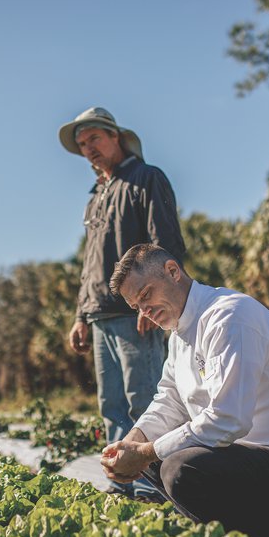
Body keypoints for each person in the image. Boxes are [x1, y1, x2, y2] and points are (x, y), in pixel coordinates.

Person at [100, 243, 269, 537]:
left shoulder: (230, 315)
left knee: (179, 469)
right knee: (156, 459)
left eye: (146, 295)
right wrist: (131, 444)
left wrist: (144, 452)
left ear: (173, 271)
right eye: (136, 306)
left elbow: (228, 419)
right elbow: (168, 400)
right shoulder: (178, 336)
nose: (145, 311)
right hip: (246, 458)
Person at [59, 107, 186, 501]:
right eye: (82, 145)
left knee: (144, 400)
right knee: (111, 404)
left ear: (115, 137)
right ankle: (121, 484)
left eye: (94, 139)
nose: (88, 150)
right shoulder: (97, 196)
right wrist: (82, 314)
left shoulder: (145, 179)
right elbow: (91, 264)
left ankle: (156, 489)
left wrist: (154, 301)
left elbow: (164, 243)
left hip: (136, 314)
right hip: (99, 315)